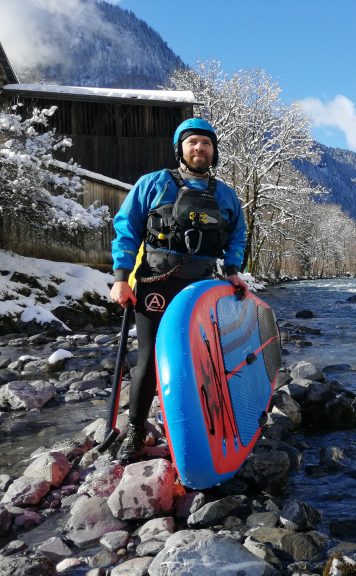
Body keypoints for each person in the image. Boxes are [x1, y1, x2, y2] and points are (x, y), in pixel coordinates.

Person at [110, 117, 247, 462]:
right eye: (192, 142)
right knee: (148, 363)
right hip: (155, 283)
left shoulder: (226, 196)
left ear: (213, 151)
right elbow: (127, 228)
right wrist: (121, 277)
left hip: (199, 290)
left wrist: (232, 271)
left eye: (206, 143)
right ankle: (136, 432)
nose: (199, 148)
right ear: (180, 148)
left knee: (202, 361)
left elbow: (236, 236)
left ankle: (201, 428)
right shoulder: (152, 184)